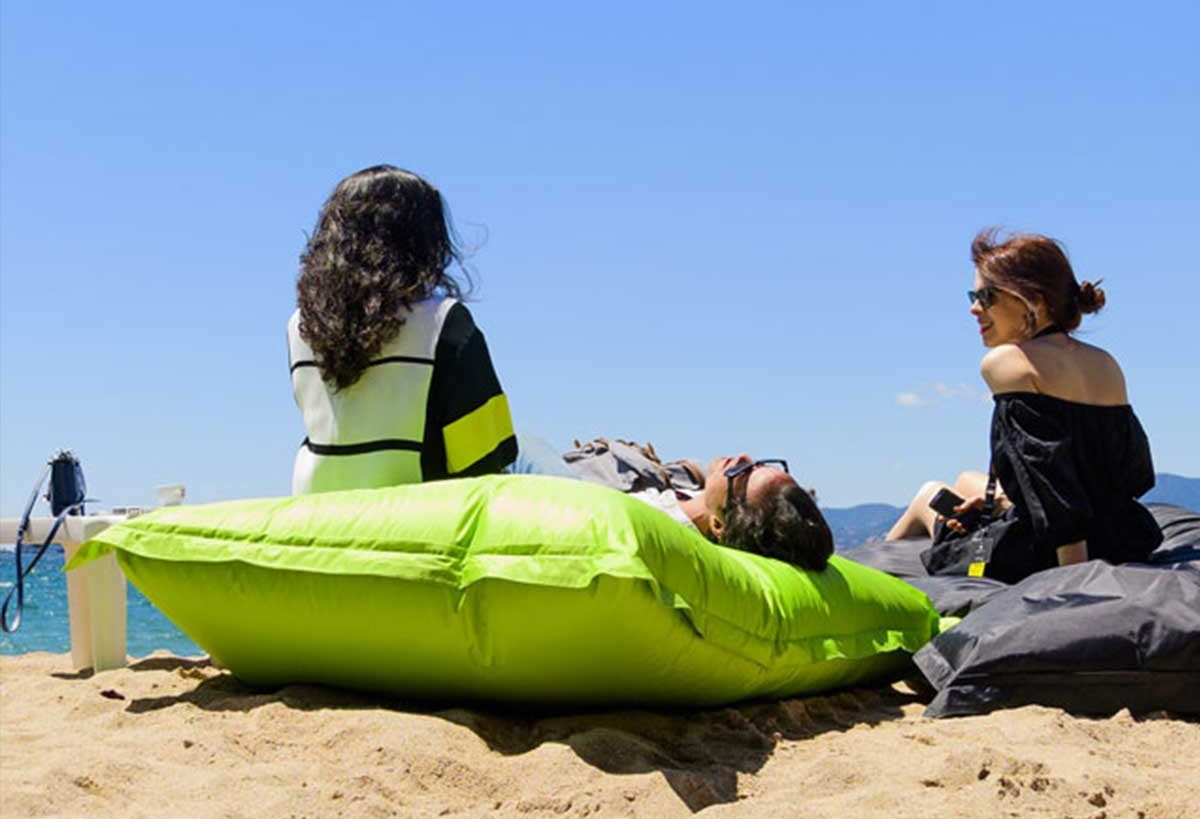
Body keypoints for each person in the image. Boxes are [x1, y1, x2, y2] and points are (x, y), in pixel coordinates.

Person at [886, 229, 1162, 579]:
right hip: (1123, 535)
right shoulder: (1105, 363)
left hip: (1048, 552)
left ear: (1034, 300)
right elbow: (1133, 472)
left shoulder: (1008, 362)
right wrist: (1007, 503)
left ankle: (860, 584)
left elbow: (1050, 476)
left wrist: (1078, 578)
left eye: (986, 296)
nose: (974, 308)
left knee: (928, 494)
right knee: (966, 480)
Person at [289, 166, 517, 494]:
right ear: (424, 240)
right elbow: (486, 459)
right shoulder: (444, 321)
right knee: (531, 453)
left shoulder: (300, 325)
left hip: (319, 510)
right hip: (415, 516)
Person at [564, 438, 834, 571]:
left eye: (741, 473)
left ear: (719, 525)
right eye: (759, 464)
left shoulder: (647, 521)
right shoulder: (692, 484)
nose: (743, 456)